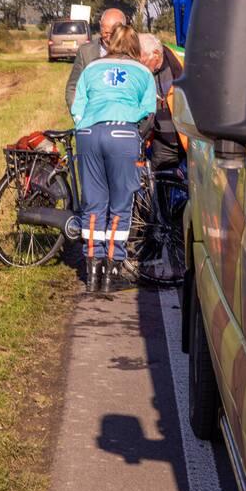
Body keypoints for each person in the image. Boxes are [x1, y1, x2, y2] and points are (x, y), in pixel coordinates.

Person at [70, 25, 156, 293]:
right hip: (122, 134)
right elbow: (148, 114)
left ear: (110, 43)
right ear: (135, 47)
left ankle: (92, 270)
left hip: (88, 134)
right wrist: (136, 137)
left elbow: (77, 105)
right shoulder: (143, 72)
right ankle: (112, 271)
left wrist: (83, 126)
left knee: (93, 203)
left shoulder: (92, 68)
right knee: (120, 204)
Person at [138, 34, 186, 171]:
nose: (139, 64)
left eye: (142, 60)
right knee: (160, 179)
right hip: (162, 143)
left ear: (156, 54)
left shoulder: (184, 59)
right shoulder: (142, 71)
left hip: (190, 141)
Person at [64, 8, 127, 111]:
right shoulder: (85, 52)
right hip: (92, 115)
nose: (108, 38)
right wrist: (78, 114)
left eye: (113, 34)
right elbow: (73, 87)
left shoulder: (133, 52)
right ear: (100, 25)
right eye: (105, 33)